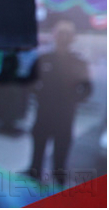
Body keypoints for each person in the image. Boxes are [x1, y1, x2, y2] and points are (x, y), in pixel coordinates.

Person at [26, 19, 92, 185]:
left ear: (72, 38)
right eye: (60, 33)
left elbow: (87, 88)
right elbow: (29, 82)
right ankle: (34, 172)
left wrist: (74, 99)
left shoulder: (78, 62)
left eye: (67, 34)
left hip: (65, 113)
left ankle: (59, 176)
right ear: (54, 36)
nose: (63, 37)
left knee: (62, 145)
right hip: (44, 111)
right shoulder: (44, 59)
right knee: (39, 142)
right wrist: (39, 95)